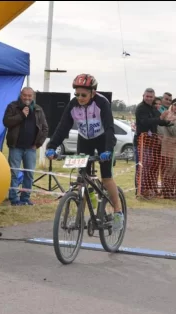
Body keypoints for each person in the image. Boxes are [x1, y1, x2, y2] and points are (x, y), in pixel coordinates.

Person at [45, 74, 124, 231]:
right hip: (85, 140)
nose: (80, 98)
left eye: (83, 95)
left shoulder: (102, 103)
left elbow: (109, 128)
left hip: (103, 139)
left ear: (93, 93)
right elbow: (63, 127)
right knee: (82, 178)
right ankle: (84, 211)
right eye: (77, 94)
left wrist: (108, 150)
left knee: (107, 178)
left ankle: (118, 212)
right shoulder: (73, 105)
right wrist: (52, 146)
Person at [3, 87, 49, 206]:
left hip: (31, 148)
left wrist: (38, 144)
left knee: (29, 174)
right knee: (14, 173)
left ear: (33, 96)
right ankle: (13, 198)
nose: (27, 98)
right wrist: (22, 115)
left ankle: (25, 198)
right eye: (25, 95)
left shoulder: (38, 109)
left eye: (30, 96)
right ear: (21, 95)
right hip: (15, 147)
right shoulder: (13, 107)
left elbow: (45, 128)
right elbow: (6, 122)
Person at [134, 88, 174, 197]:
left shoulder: (153, 108)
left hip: (151, 142)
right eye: (147, 96)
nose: (149, 98)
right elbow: (145, 121)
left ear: (154, 97)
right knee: (142, 167)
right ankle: (140, 191)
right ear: (143, 96)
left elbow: (159, 119)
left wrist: (167, 122)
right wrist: (161, 119)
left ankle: (149, 190)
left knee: (150, 166)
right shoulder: (140, 108)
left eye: (151, 97)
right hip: (141, 142)